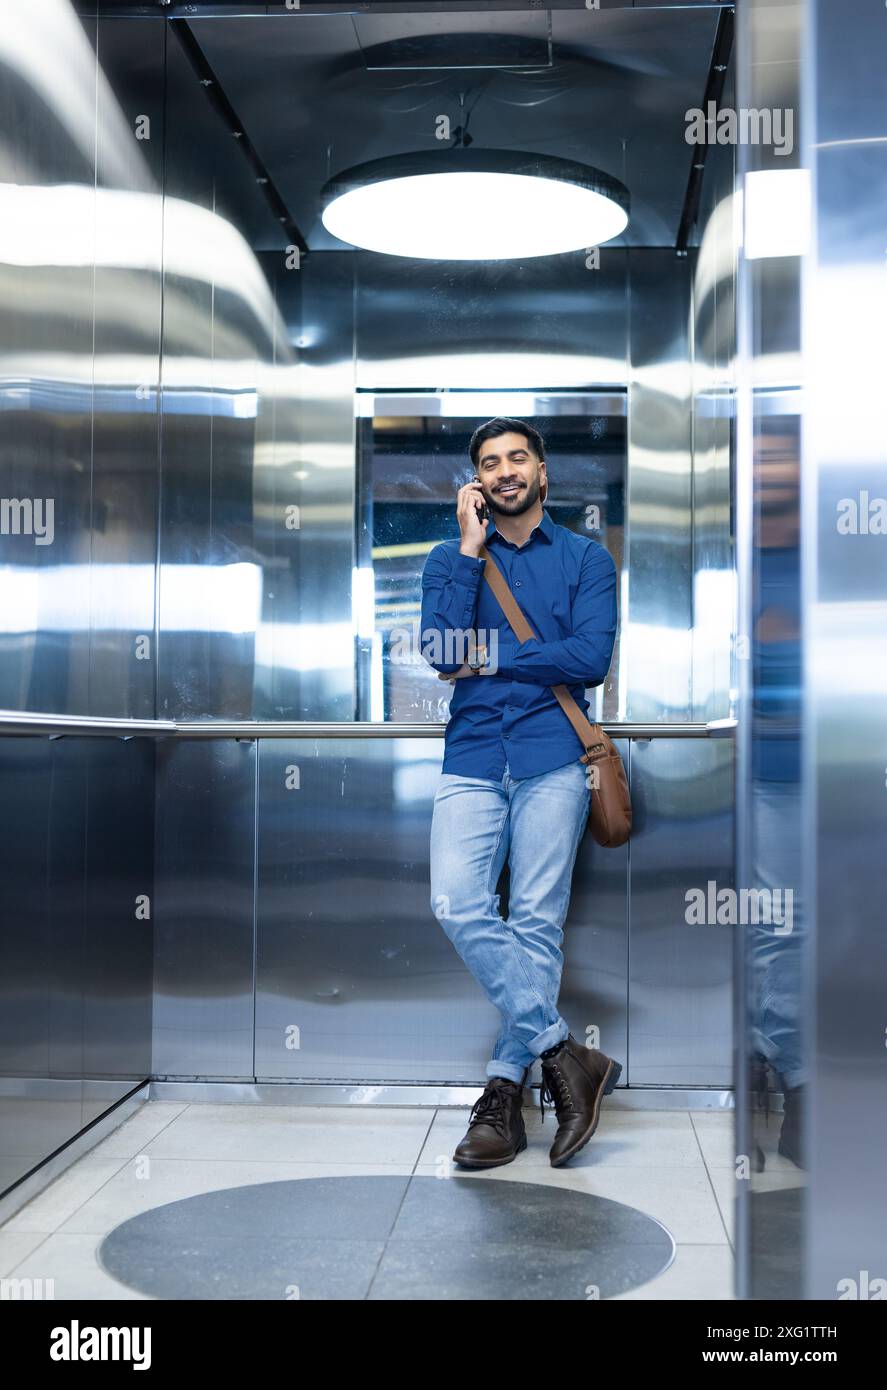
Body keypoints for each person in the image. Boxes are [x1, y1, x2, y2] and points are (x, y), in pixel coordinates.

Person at [420, 417, 622, 1169]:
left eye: (515, 458)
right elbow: (439, 652)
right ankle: (562, 1053)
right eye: (487, 463)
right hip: (472, 758)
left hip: (554, 760)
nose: (503, 471)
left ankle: (502, 1097)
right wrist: (471, 553)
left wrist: (491, 657)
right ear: (474, 483)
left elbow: (591, 656)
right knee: (457, 903)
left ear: (541, 470)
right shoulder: (448, 558)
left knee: (535, 923)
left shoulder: (585, 559)